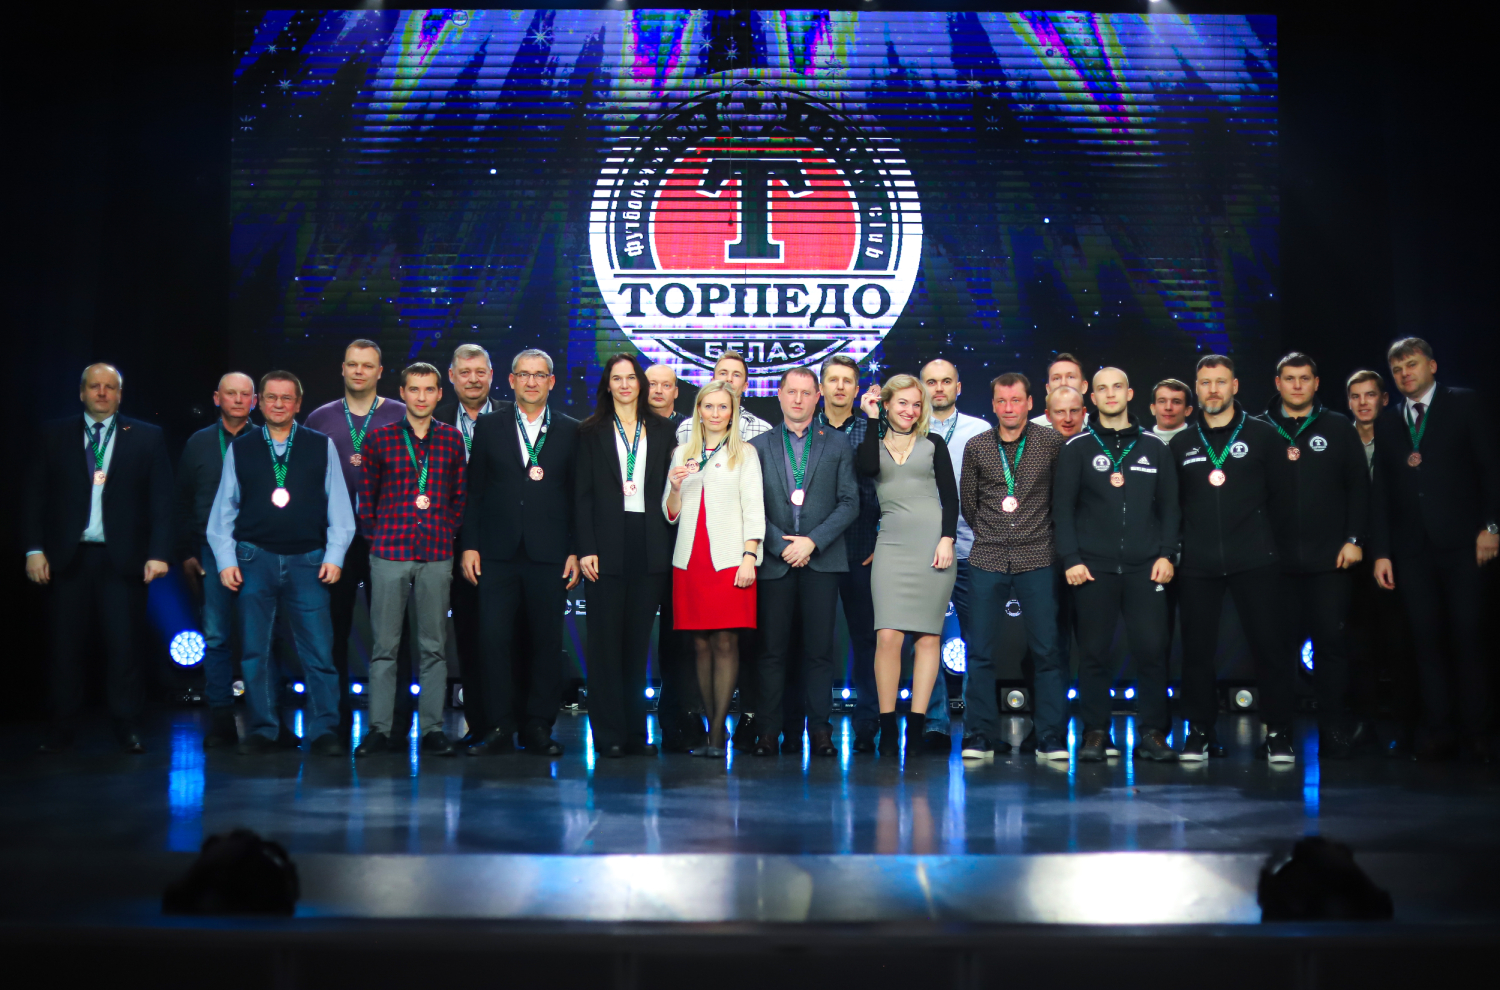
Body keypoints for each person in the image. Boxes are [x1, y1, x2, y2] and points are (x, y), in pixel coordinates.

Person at [24, 363, 174, 754]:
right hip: (66, 558)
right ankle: (61, 726)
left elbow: (162, 501)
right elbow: (34, 496)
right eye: (95, 386)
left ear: (120, 394)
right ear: (82, 392)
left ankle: (127, 724)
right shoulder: (53, 434)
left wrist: (159, 553)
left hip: (123, 560)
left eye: (110, 387)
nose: (102, 393)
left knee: (125, 648)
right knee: (64, 648)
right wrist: (33, 549)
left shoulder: (147, 436)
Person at [207, 371, 355, 756]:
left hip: (309, 560)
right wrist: (225, 560)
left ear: (298, 404)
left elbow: (340, 507)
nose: (278, 404)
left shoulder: (320, 445)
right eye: (271, 397)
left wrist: (335, 555)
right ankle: (264, 729)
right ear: (259, 401)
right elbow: (223, 511)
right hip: (253, 558)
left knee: (319, 651)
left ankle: (324, 730)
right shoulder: (241, 448)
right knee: (255, 652)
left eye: (286, 398)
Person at [1371, 338, 1500, 762]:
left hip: (1466, 545)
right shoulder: (1389, 422)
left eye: (1412, 365)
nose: (1405, 374)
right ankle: (1439, 731)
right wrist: (1382, 552)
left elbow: (1491, 469)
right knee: (1425, 643)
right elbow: (1382, 491)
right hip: (1412, 550)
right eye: (1397, 370)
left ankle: (1477, 733)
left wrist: (1492, 526)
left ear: (1432, 365)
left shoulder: (1465, 404)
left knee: (1469, 639)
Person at [1169, 354, 1296, 763]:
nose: (1213, 390)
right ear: (1197, 389)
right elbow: (1175, 505)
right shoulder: (1182, 442)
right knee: (1196, 652)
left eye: (1221, 382)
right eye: (1205, 383)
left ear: (1235, 386)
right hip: (1198, 563)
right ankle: (1199, 732)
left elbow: (1282, 500)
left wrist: (1265, 544)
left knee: (1270, 647)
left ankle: (1278, 733)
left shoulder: (1263, 435)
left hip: (1255, 558)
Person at [1054, 367, 1180, 762]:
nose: (1110, 394)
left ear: (1130, 393)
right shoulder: (1076, 448)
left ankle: (1154, 733)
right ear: (1092, 398)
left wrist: (1167, 553)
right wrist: (1071, 558)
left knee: (1152, 650)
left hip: (1147, 567)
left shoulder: (1154, 447)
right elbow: (1062, 510)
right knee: (1093, 653)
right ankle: (1095, 733)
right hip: (1093, 567)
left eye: (1118, 387)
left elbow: (1171, 508)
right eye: (1102, 389)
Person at [461, 348, 581, 757]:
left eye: (539, 375)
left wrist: (575, 549)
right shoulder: (489, 426)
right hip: (496, 552)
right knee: (494, 640)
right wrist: (470, 544)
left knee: (545, 642)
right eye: (524, 375)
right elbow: (475, 491)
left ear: (551, 381)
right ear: (510, 381)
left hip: (550, 554)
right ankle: (499, 725)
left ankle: (538, 726)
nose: (531, 382)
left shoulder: (570, 430)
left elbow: (577, 496)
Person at [353, 363, 466, 758]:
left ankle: (432, 729)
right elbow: (366, 499)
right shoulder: (379, 438)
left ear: (439, 394)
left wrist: (446, 531)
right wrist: (378, 538)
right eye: (414, 389)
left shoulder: (452, 439)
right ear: (401, 392)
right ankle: (380, 730)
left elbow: (459, 496)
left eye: (429, 389)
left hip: (436, 553)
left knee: (434, 647)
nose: (421, 397)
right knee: (385, 647)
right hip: (390, 552)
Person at [1259, 352, 1369, 759]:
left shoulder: (1338, 427)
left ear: (1316, 383)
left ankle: (1333, 730)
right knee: (1277, 651)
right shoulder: (1259, 429)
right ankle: (1278, 733)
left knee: (1331, 646)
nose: (1297, 385)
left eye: (1304, 378)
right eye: (1289, 378)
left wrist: (1354, 538)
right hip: (1275, 563)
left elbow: (1359, 487)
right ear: (1278, 383)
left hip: (1330, 560)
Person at [749, 367, 859, 757]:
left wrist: (812, 541)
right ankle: (767, 732)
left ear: (817, 397)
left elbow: (850, 502)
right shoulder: (757, 446)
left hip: (821, 561)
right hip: (774, 561)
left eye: (806, 393)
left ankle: (821, 733)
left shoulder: (838, 443)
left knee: (818, 652)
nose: (798, 399)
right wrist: (780, 544)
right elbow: (750, 505)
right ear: (779, 395)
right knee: (771, 653)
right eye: (791, 392)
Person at [304, 339, 406, 741]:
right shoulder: (319, 418)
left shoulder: (400, 413)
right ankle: (334, 721)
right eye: (352, 364)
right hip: (337, 542)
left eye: (367, 365)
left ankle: (393, 724)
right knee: (332, 633)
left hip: (388, 539)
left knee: (393, 636)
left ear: (380, 372)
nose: (359, 371)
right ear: (343, 369)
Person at [960, 373, 1066, 760]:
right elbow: (969, 503)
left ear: (1030, 403)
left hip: (1038, 555)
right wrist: (994, 533)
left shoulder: (1051, 443)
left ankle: (1051, 735)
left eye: (1016, 400)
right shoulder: (977, 446)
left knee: (1047, 650)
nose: (1009, 408)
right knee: (980, 651)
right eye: (1002, 401)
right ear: (992, 404)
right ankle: (979, 735)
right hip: (988, 555)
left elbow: (1059, 500)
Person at [576, 354, 676, 757]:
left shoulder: (665, 430)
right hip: (605, 546)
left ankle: (635, 733)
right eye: (616, 378)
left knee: (637, 646)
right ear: (607, 385)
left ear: (640, 383)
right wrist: (586, 547)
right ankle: (609, 735)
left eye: (630, 377)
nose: (624, 385)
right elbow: (581, 496)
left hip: (651, 543)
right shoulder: (590, 431)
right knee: (605, 645)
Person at [856, 374, 959, 757]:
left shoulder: (934, 444)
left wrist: (947, 539)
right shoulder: (872, 444)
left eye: (917, 404)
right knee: (888, 637)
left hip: (933, 546)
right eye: (902, 403)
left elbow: (951, 498)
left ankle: (916, 729)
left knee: (929, 638)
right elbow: (868, 468)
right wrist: (871, 419)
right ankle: (888, 730)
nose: (910, 410)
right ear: (886, 404)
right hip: (892, 546)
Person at [664, 381, 765, 756]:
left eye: (723, 407)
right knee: (700, 644)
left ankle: (719, 733)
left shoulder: (745, 453)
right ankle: (710, 729)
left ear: (733, 412)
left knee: (725, 641)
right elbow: (671, 513)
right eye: (709, 406)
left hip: (729, 559)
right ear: (699, 411)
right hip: (691, 560)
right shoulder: (682, 452)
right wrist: (675, 488)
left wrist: (750, 555)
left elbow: (754, 508)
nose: (716, 413)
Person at [176, 372, 258, 749]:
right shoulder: (198, 443)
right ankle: (221, 717)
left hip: (258, 548)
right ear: (216, 398)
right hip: (210, 549)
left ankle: (265, 718)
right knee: (216, 636)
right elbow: (182, 501)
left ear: (254, 401)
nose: (238, 400)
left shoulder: (267, 440)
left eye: (245, 394)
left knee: (261, 636)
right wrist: (187, 553)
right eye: (231, 393)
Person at [918, 359, 993, 752]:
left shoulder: (980, 430)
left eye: (946, 381)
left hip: (971, 549)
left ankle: (979, 725)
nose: (939, 388)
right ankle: (934, 723)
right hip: (923, 549)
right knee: (926, 638)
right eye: (931, 382)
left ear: (958, 387)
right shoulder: (909, 428)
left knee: (979, 641)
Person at [817, 354, 883, 752]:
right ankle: (816, 724)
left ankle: (867, 724)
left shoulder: (873, 429)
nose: (840, 386)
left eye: (847, 381)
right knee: (816, 644)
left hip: (862, 550)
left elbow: (889, 489)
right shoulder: (807, 430)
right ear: (821, 387)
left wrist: (882, 538)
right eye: (833, 380)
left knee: (867, 641)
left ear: (857, 389)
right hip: (818, 553)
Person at [1344, 369, 1409, 753]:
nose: (1363, 402)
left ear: (1385, 399)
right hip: (1352, 555)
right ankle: (1363, 723)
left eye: (1370, 395)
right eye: (1355, 396)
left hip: (1395, 554)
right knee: (1358, 645)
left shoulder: (1400, 438)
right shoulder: (1339, 439)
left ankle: (1407, 724)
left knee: (1400, 642)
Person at [434, 344, 495, 743]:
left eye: (480, 371)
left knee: (510, 637)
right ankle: (477, 723)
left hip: (505, 543)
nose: (473, 379)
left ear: (491, 375)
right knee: (469, 637)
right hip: (450, 544)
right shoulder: (432, 420)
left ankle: (511, 721)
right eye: (465, 372)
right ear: (452, 377)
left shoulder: (513, 416)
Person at [641, 362, 696, 750]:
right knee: (633, 635)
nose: (658, 390)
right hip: (641, 544)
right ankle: (628, 720)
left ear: (677, 391)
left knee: (680, 641)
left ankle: (677, 719)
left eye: (666, 385)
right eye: (652, 384)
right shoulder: (628, 428)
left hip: (684, 547)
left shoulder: (689, 432)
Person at [673, 350, 773, 443]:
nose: (729, 379)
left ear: (745, 386)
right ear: (712, 381)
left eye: (736, 375)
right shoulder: (687, 428)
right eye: (723, 373)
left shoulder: (761, 430)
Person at [1031, 353, 1089, 429]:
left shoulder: (1096, 427)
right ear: (1048, 389)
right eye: (1056, 378)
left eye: (1070, 377)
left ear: (1084, 386)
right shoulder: (1033, 429)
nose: (1063, 383)